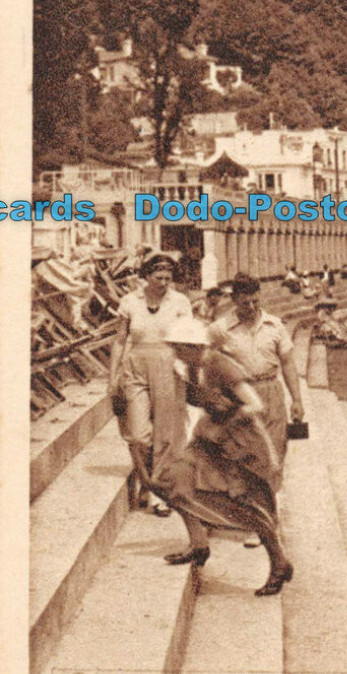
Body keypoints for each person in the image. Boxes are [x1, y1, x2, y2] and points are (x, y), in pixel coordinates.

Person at [161, 319, 292, 596]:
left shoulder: (220, 365)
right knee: (176, 479)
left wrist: (225, 419)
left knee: (250, 504)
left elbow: (255, 404)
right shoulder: (193, 367)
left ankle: (279, 562)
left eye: (178, 348)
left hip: (241, 444)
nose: (175, 354)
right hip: (211, 441)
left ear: (191, 347)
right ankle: (199, 542)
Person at [107, 254, 194, 517]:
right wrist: (113, 378)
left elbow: (189, 339)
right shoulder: (130, 301)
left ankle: (159, 494)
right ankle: (146, 481)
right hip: (135, 369)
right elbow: (120, 340)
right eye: (159, 278)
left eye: (169, 278)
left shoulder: (180, 302)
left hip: (169, 368)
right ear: (146, 276)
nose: (165, 282)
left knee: (165, 435)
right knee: (138, 435)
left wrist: (189, 373)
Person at [209, 274, 305, 488]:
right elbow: (205, 360)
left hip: (271, 392)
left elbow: (288, 363)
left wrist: (296, 400)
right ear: (234, 300)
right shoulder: (220, 329)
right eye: (245, 303)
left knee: (274, 450)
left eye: (256, 301)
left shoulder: (275, 325)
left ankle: (269, 506)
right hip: (239, 397)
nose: (251, 307)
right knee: (243, 455)